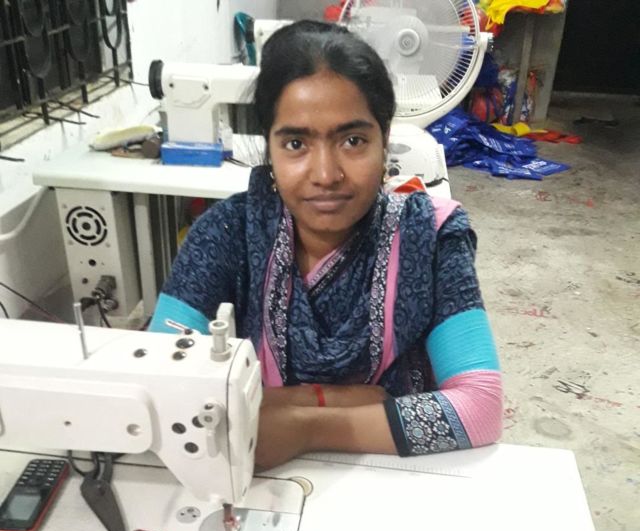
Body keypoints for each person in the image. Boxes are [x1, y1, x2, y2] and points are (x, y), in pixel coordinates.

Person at [149, 20, 502, 470]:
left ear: (384, 140)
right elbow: (159, 388)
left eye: (353, 141)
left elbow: (480, 409)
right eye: (296, 143)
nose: (325, 174)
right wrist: (336, 399)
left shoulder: (431, 236)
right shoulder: (226, 234)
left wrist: (303, 428)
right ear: (269, 148)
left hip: (401, 472)